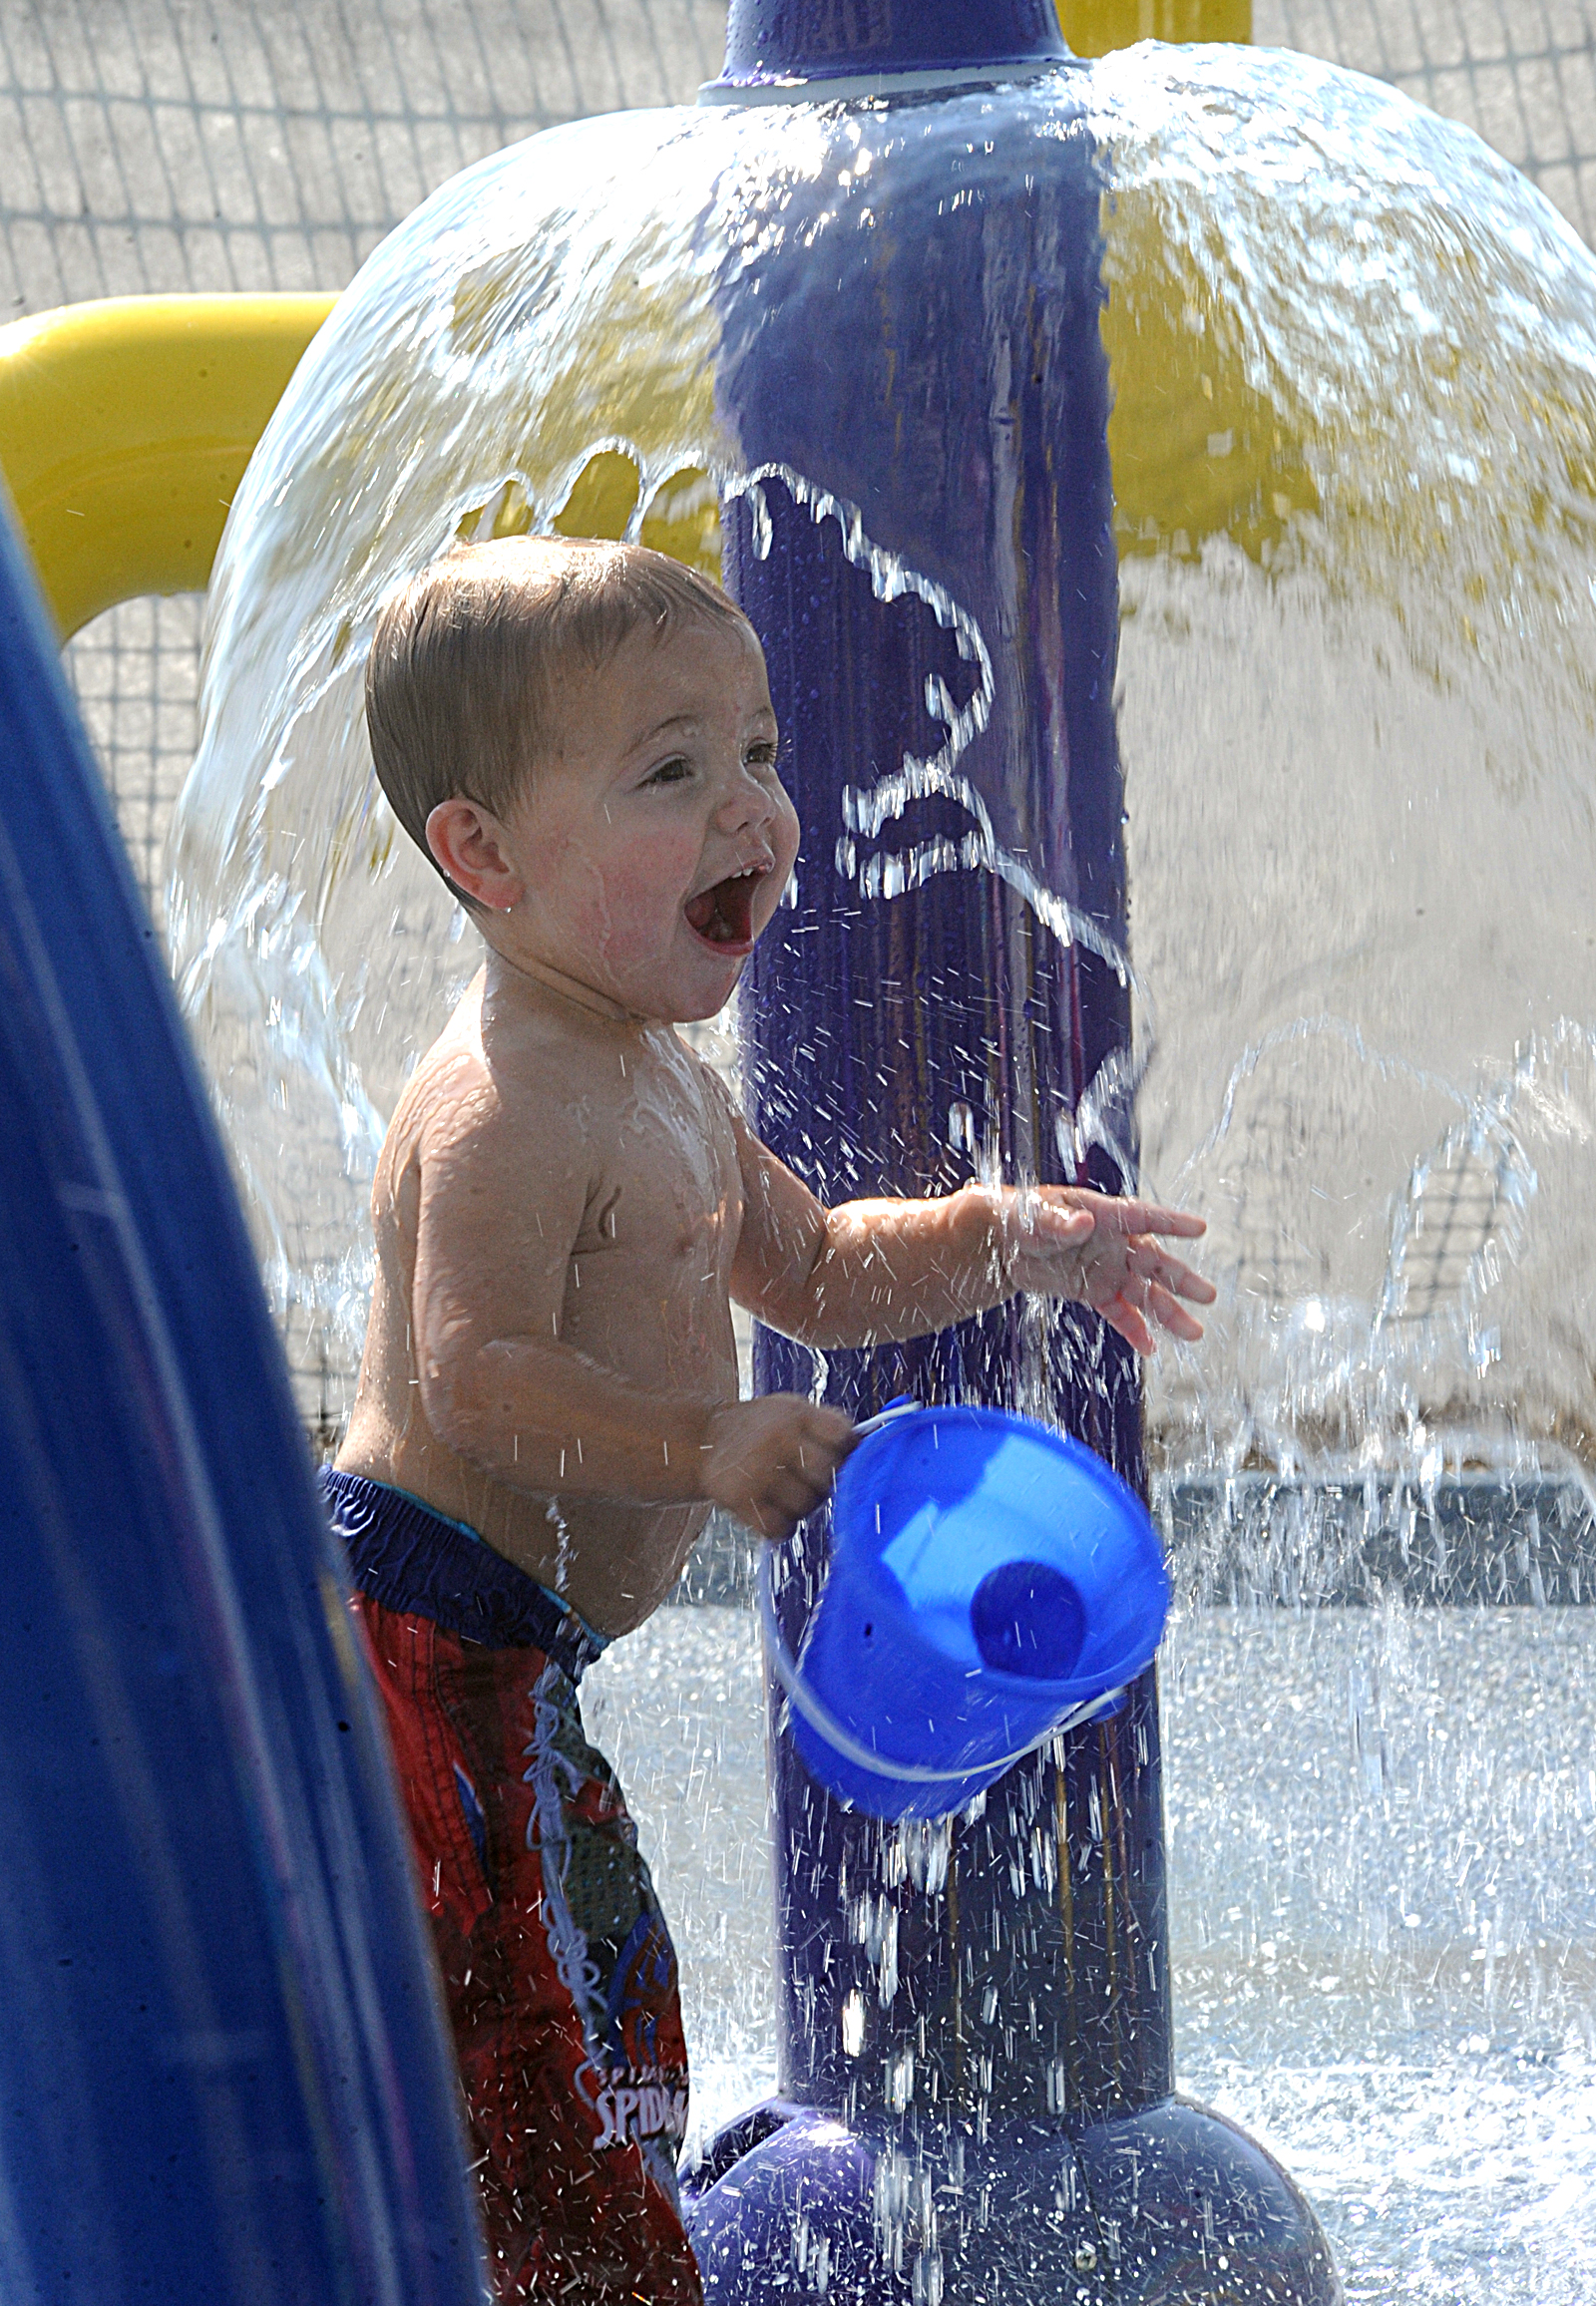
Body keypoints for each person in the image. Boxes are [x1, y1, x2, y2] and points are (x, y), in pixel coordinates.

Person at [323, 534, 1214, 2303]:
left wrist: (1001, 1236)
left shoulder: (655, 1073)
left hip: (517, 1662)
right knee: (522, 2075)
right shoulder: (503, 1100)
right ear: (482, 854)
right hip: (415, 1652)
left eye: (760, 752)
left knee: (605, 2015)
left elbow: (810, 1269)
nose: (756, 811)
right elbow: (471, 1376)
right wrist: (703, 1451)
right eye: (675, 770)